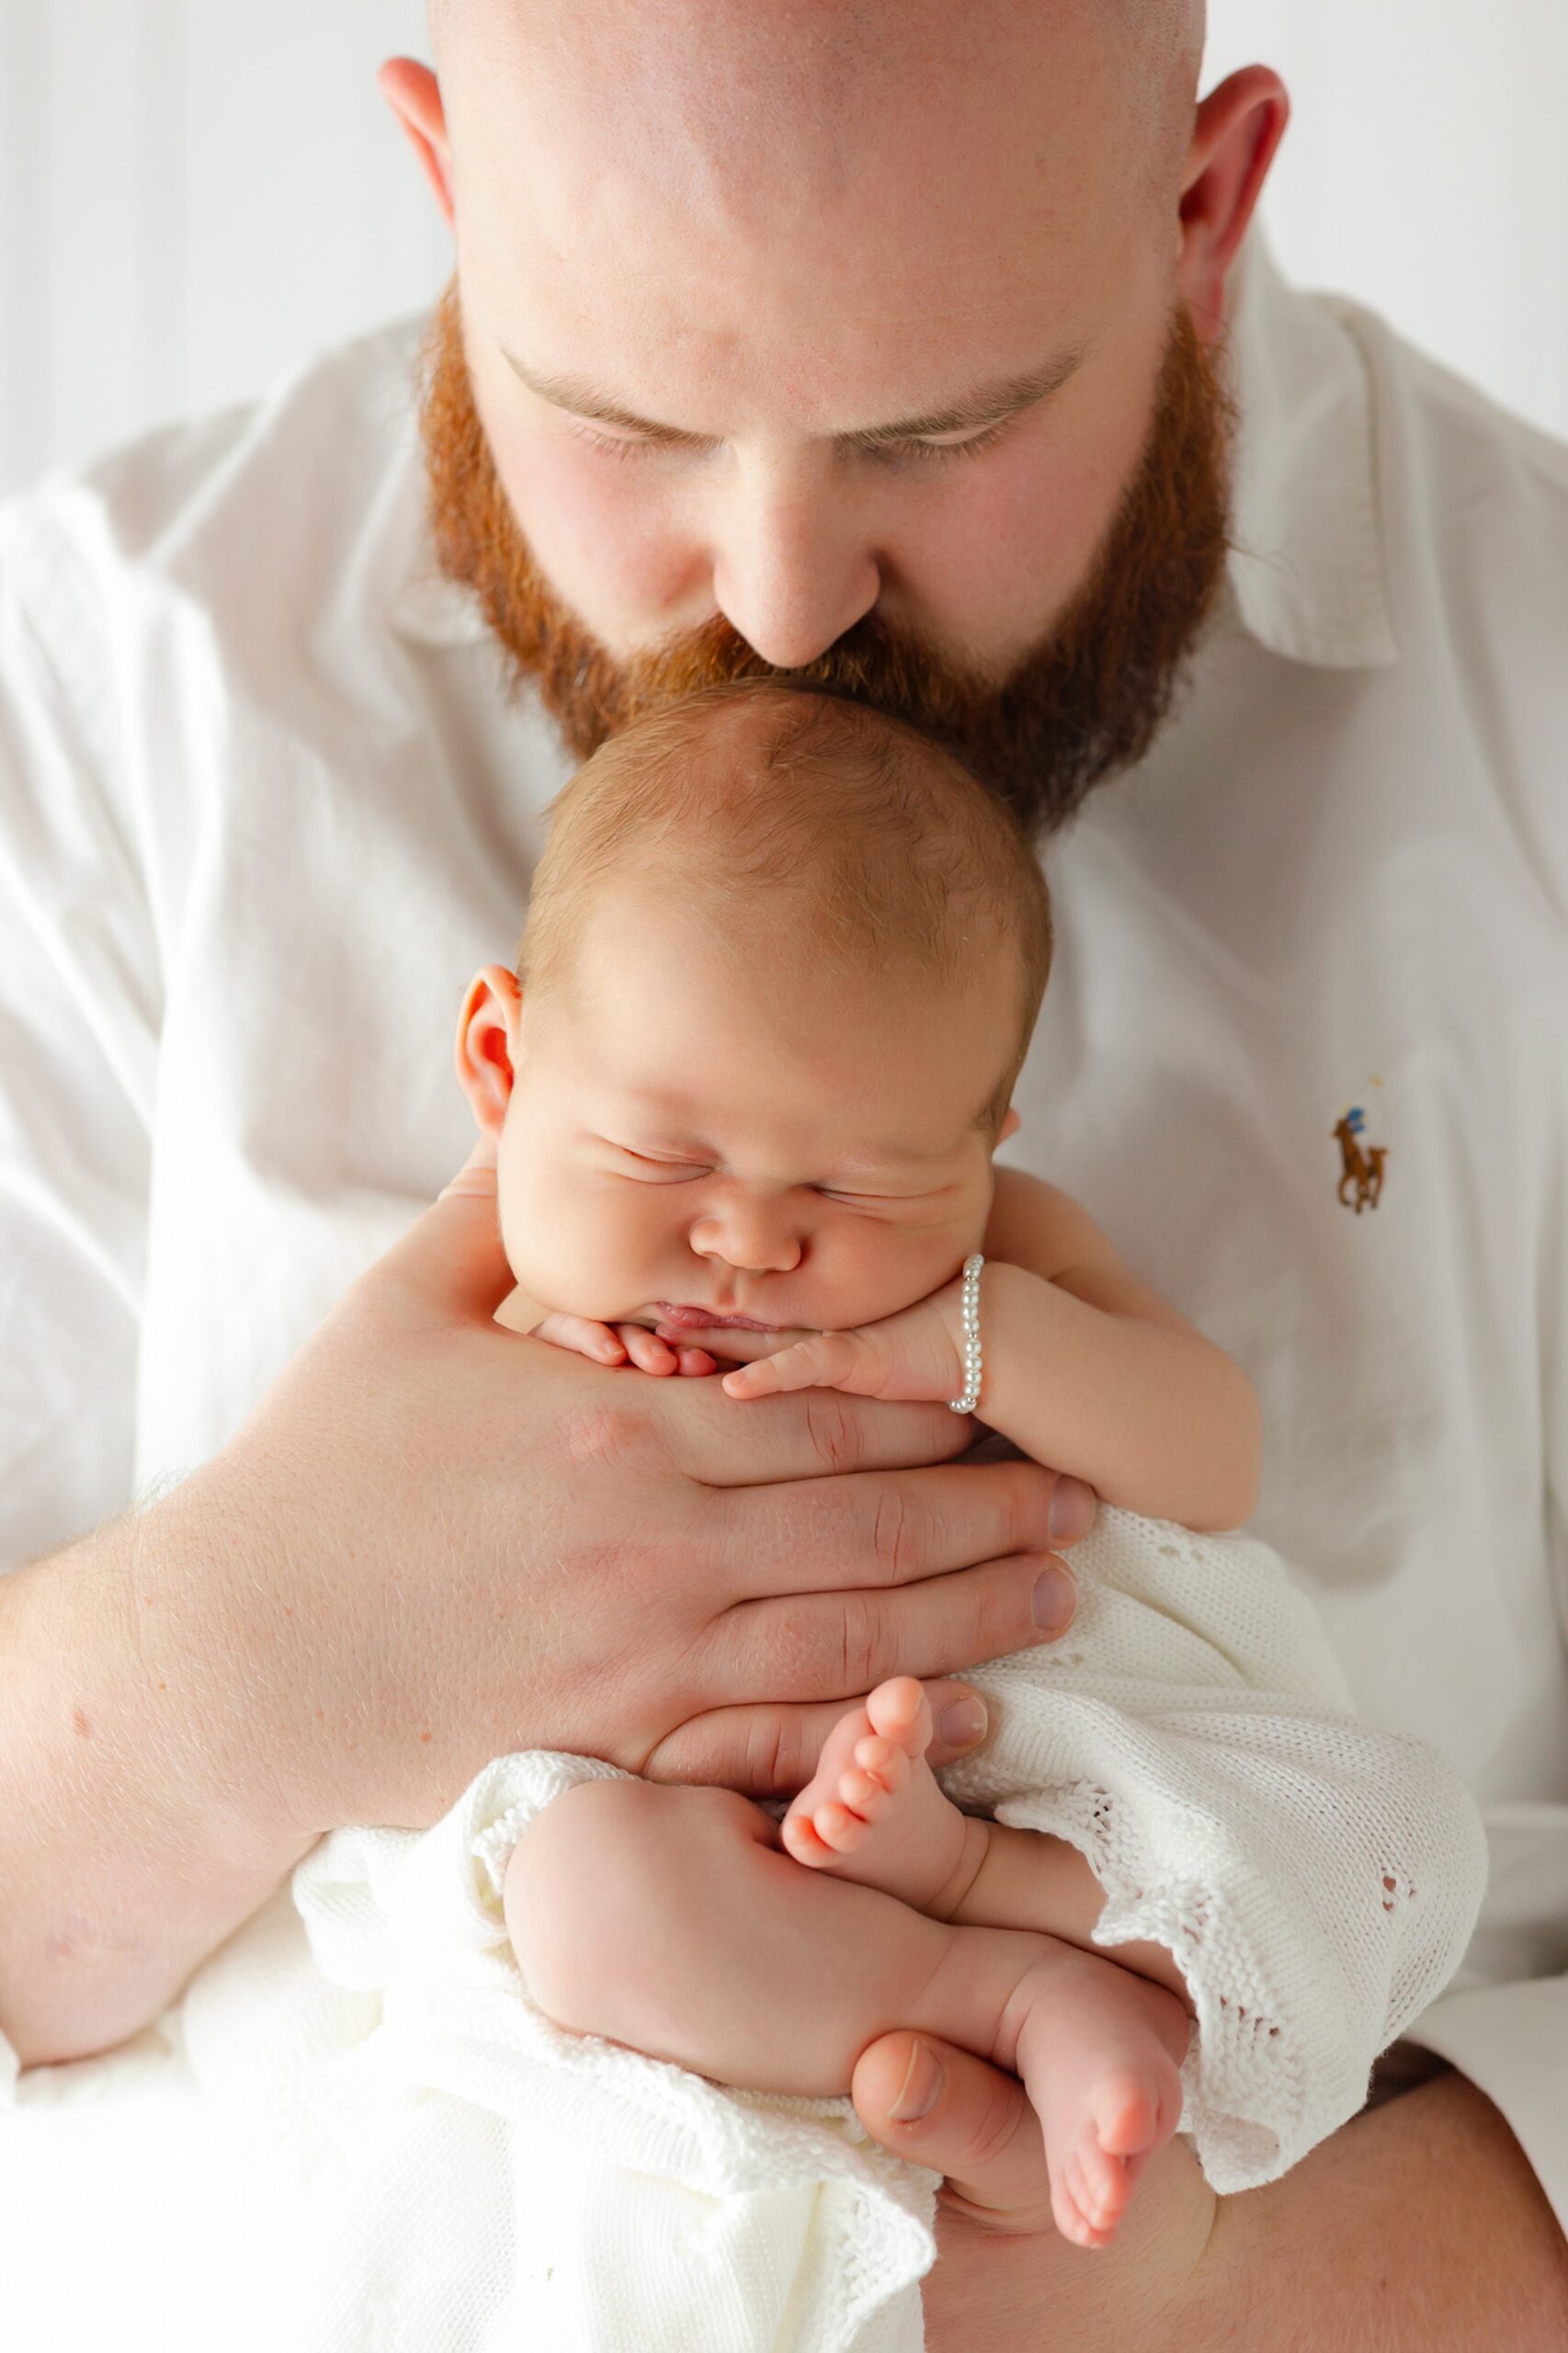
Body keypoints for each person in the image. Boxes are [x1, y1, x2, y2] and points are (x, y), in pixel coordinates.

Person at [1, 4, 1565, 2345]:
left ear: (1205, 214)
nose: (774, 596)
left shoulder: (1532, 695)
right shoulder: (104, 697)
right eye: (622, 416)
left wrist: (1193, 2294)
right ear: (445, 190)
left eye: (936, 431)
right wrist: (240, 1657)